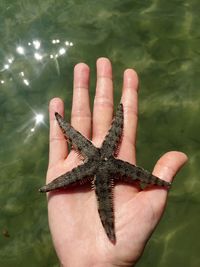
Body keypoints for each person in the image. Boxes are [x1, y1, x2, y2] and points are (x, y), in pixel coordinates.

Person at [45, 58, 187, 266]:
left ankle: (109, 234)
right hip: (102, 162)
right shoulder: (104, 158)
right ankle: (109, 234)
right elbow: (106, 133)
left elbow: (114, 132)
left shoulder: (101, 158)